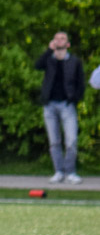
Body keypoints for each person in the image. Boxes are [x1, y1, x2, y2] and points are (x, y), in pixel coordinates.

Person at [35, 32, 84, 183]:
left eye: (62, 38)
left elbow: (80, 83)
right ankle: (59, 172)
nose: (59, 40)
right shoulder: (49, 59)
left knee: (71, 140)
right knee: (54, 141)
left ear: (67, 44)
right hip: (49, 105)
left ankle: (70, 172)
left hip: (67, 105)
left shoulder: (74, 61)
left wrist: (74, 99)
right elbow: (37, 66)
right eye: (56, 38)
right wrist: (49, 50)